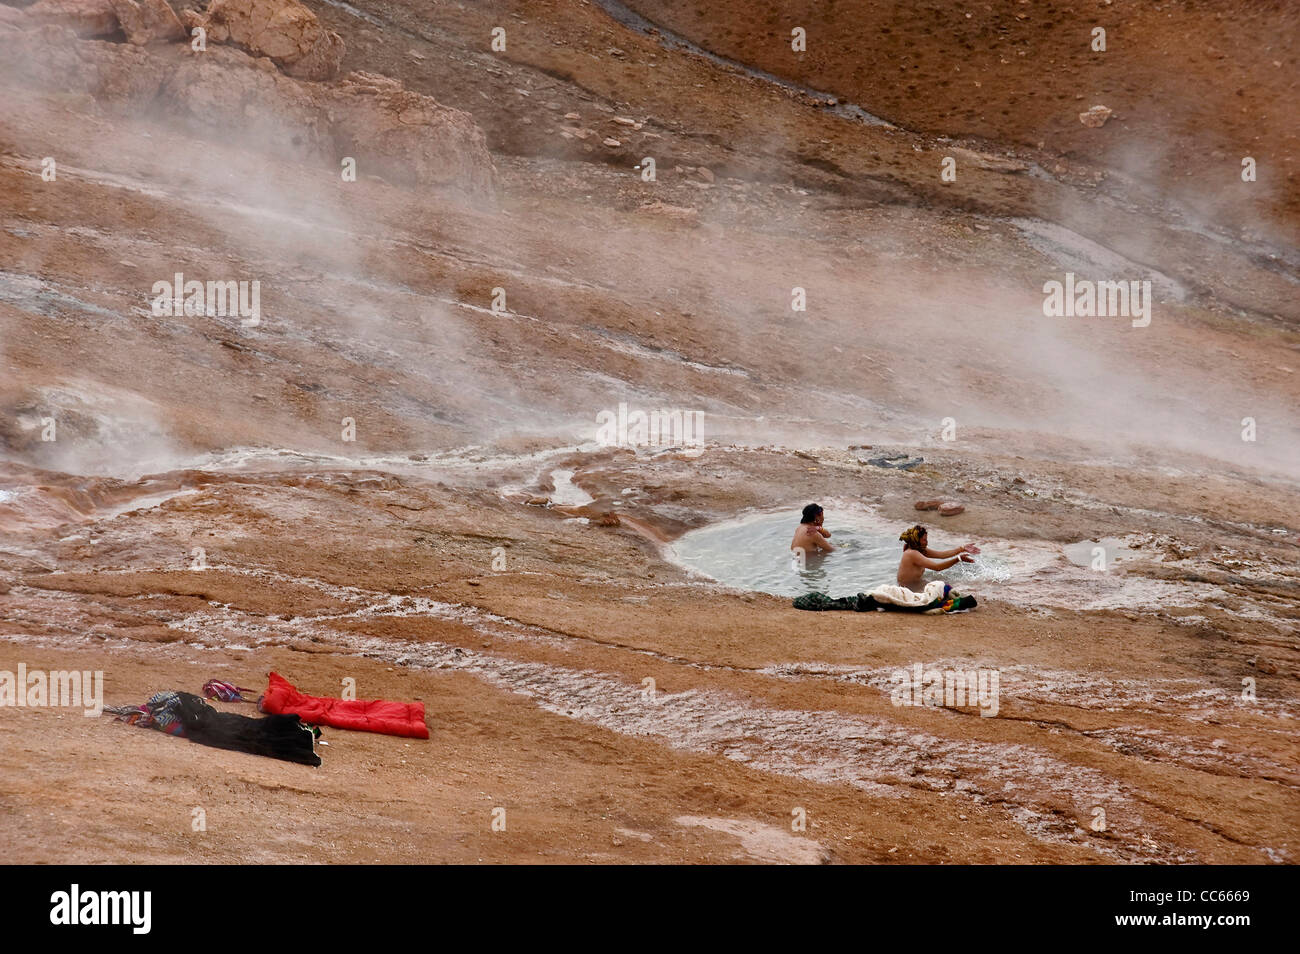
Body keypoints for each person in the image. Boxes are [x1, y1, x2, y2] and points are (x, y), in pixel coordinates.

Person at [896, 524, 979, 591]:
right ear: (916, 540)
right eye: (924, 540)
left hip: (917, 585)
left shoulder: (920, 550)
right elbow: (937, 567)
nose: (927, 542)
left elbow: (942, 555)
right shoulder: (912, 553)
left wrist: (962, 548)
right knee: (945, 589)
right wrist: (958, 559)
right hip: (908, 590)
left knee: (946, 585)